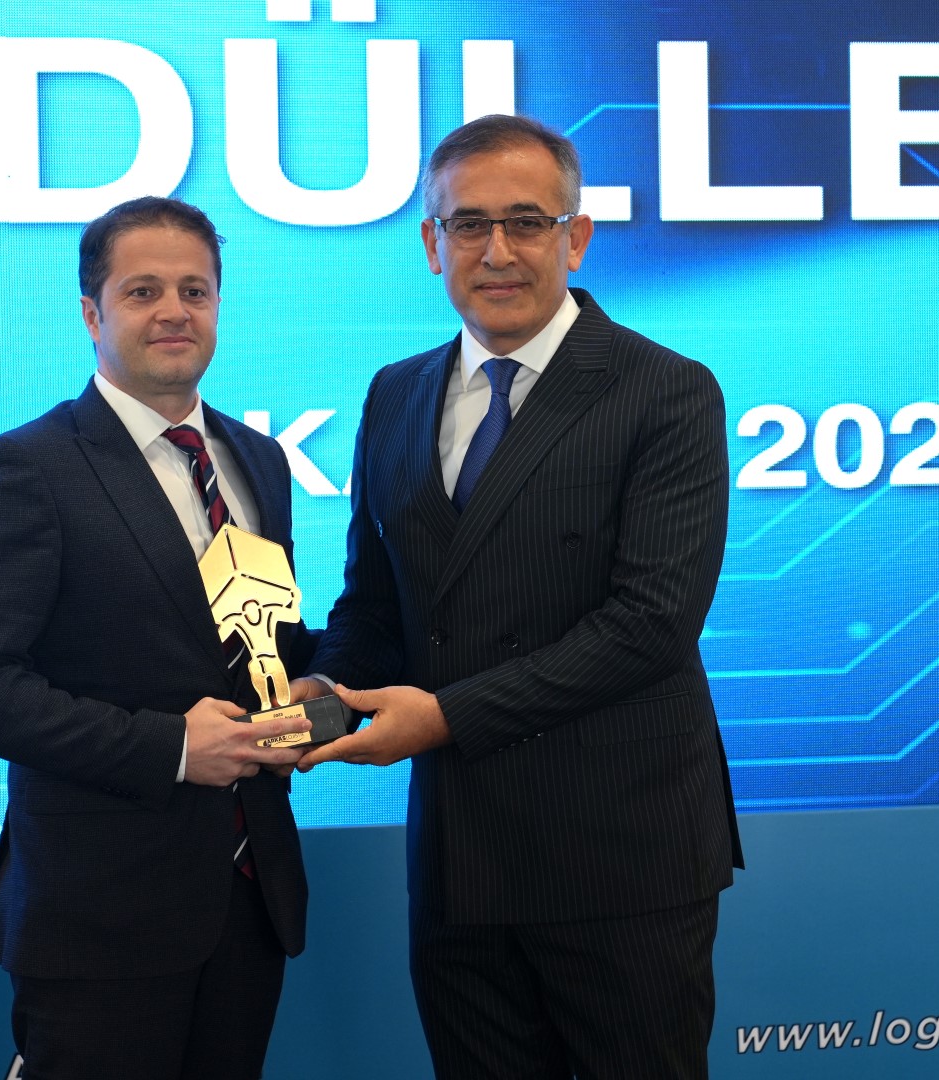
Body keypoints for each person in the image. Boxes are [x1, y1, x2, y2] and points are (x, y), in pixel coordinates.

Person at [296, 115, 743, 1079]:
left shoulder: (665, 391)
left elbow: (650, 627)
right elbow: (378, 603)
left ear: (575, 238)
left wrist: (444, 717)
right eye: (468, 224)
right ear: (432, 244)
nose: (496, 252)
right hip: (460, 862)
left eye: (526, 222)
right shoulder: (395, 394)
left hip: (621, 857)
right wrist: (323, 691)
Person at [0, 196, 316, 1080]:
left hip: (248, 899)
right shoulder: (28, 467)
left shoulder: (257, 460)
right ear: (91, 314)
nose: (174, 311)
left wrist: (326, 686)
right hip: (98, 917)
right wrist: (172, 747)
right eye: (143, 291)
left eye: (195, 290)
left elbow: (265, 643)